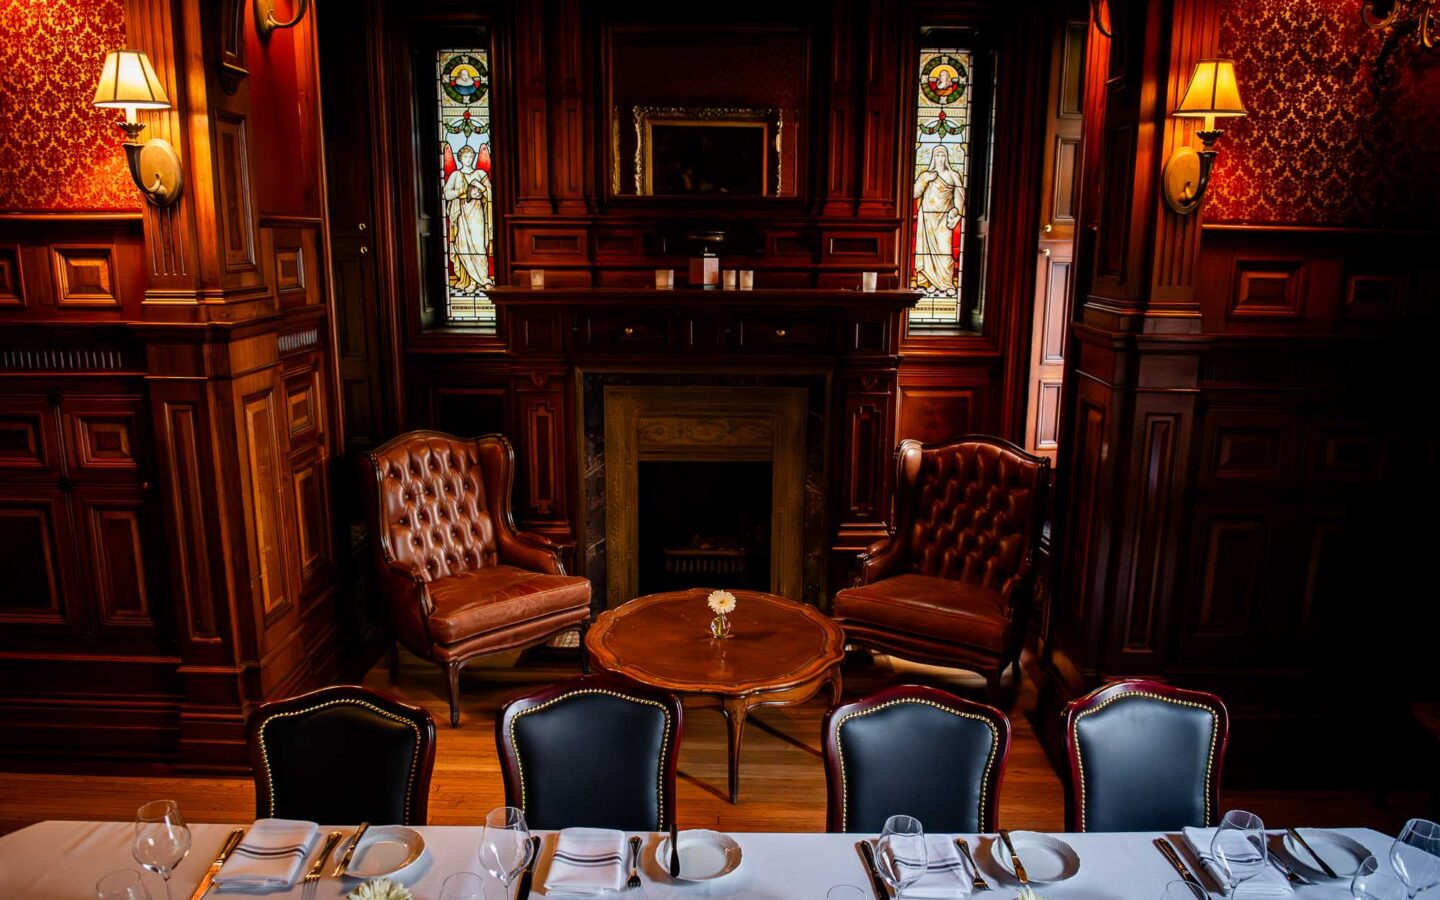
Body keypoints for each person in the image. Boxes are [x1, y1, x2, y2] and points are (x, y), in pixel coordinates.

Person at [912, 144, 964, 295]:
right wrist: (925, 180)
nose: (940, 159)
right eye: (937, 155)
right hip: (927, 217)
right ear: (933, 158)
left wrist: (955, 211)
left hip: (944, 218)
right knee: (926, 251)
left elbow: (959, 198)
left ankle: (946, 283)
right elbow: (915, 193)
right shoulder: (926, 175)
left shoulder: (953, 175)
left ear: (946, 158)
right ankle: (929, 282)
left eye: (942, 155)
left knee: (944, 250)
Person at [443, 145, 492, 292]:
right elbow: (446, 194)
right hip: (461, 213)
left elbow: (490, 191)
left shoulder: (480, 173)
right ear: (460, 158)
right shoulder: (456, 175)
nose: (468, 159)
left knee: (478, 246)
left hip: (477, 213)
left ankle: (484, 279)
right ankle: (470, 281)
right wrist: (460, 191)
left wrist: (481, 189)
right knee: (463, 246)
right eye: (465, 156)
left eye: (471, 156)